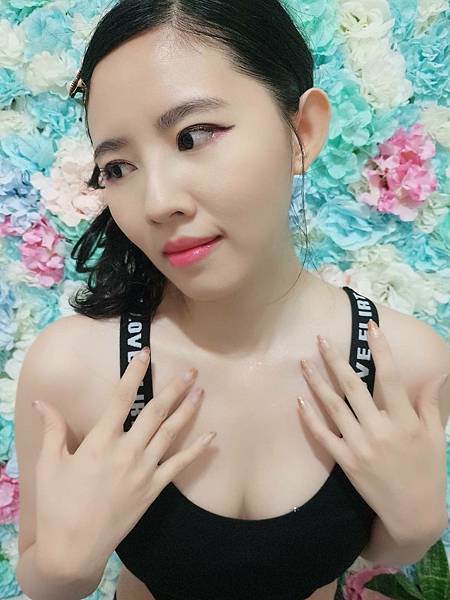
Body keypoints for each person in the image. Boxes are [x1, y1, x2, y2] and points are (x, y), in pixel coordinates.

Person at [15, 2, 448, 600]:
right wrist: (63, 568)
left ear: (303, 131)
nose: (157, 201)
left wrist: (418, 528)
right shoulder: (71, 370)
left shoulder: (407, 365)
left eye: (192, 137)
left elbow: (384, 550)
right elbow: (41, 577)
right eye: (118, 167)